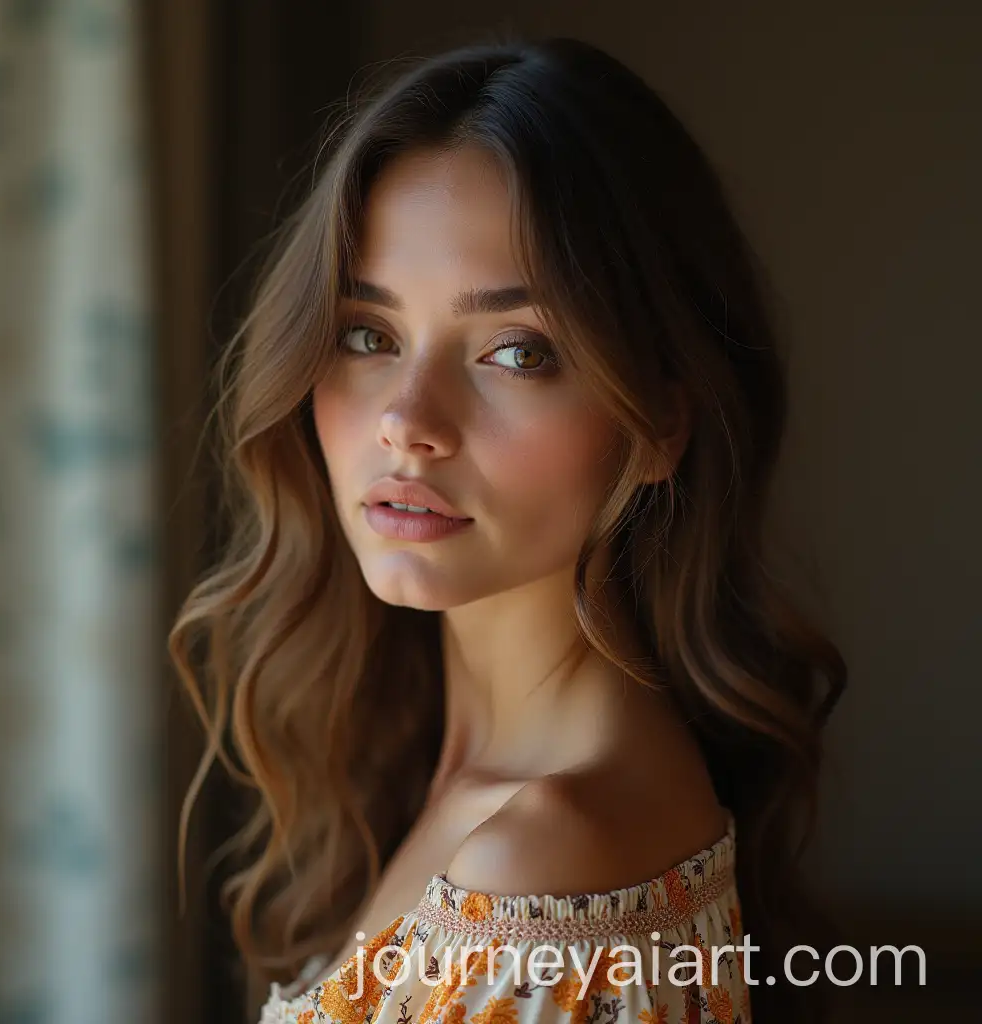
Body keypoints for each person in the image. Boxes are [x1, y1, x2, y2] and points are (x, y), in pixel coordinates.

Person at [169, 35, 846, 1024]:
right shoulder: (431, 770)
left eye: (515, 350)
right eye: (368, 334)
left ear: (658, 423)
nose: (408, 418)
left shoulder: (545, 869)